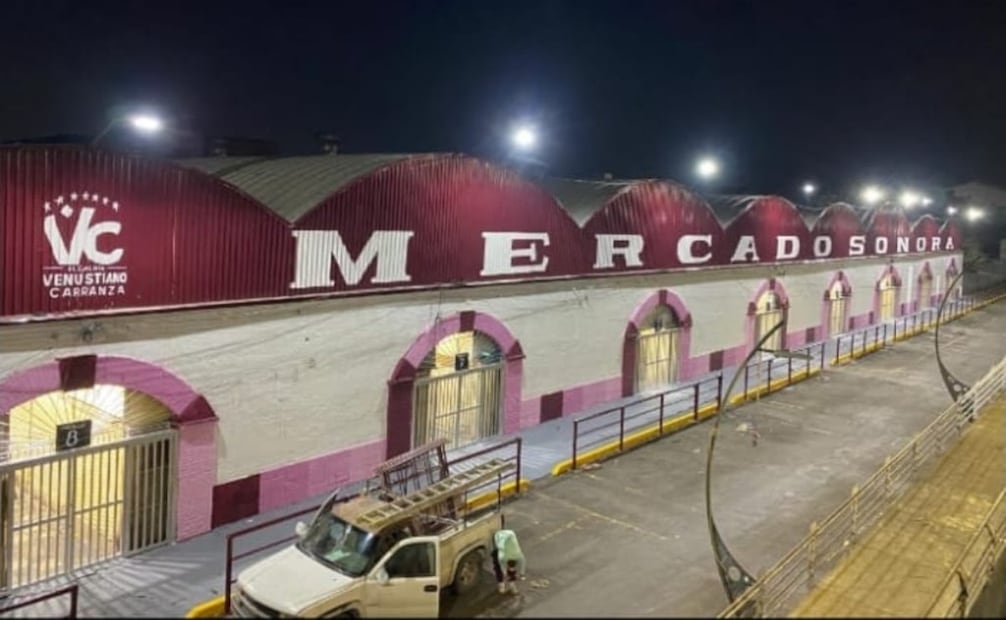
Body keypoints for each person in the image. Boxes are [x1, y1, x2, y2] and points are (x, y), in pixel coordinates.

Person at [492, 528, 525, 594]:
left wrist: (522, 573)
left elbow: (523, 562)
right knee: (498, 568)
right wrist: (504, 573)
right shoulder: (501, 557)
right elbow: (501, 566)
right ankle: (501, 584)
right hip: (499, 541)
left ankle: (511, 584)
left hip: (509, 540)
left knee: (511, 570)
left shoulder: (518, 555)